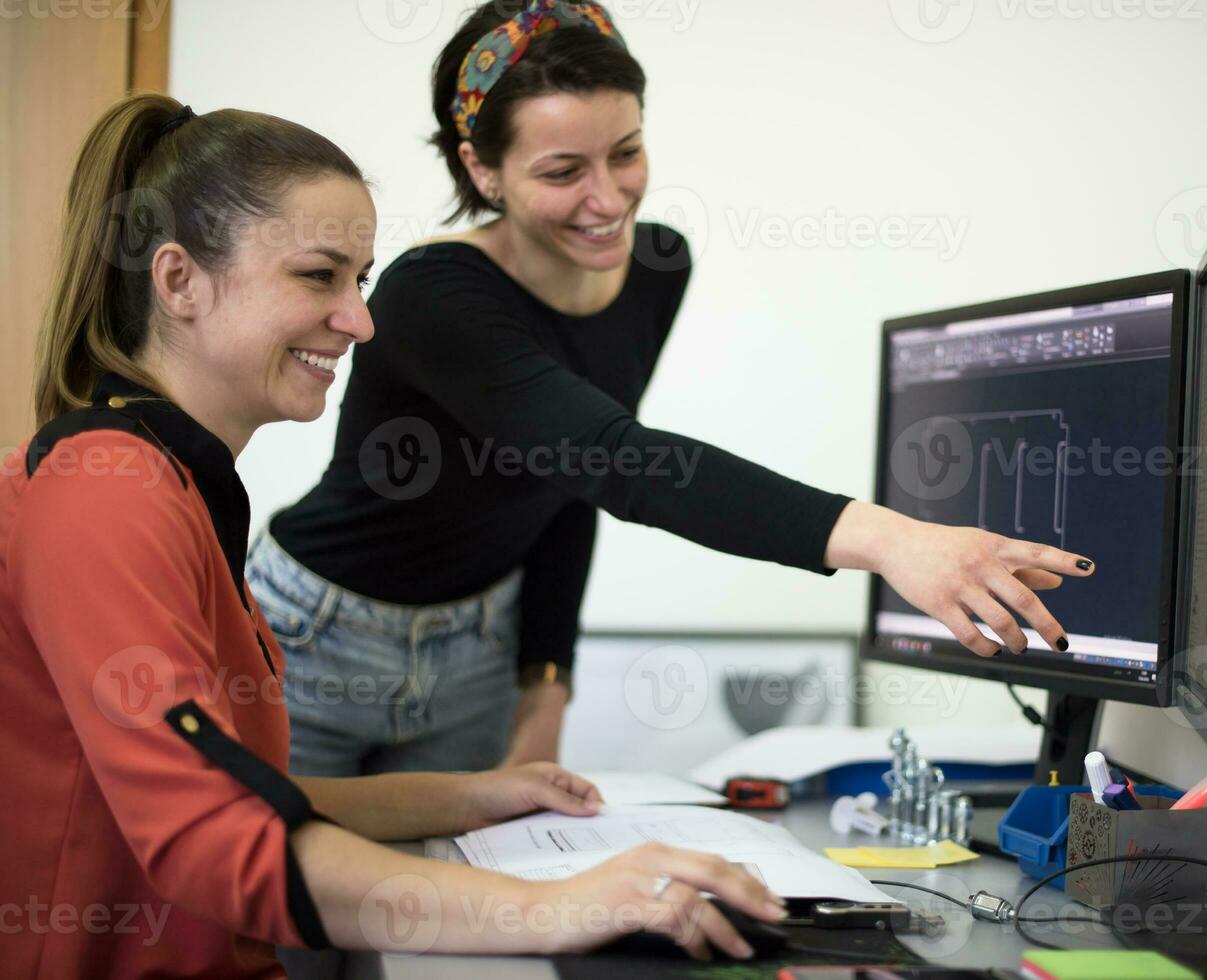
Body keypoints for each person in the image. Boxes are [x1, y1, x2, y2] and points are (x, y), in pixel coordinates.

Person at [1, 93, 787, 978]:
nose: (361, 321)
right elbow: (214, 834)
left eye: (362, 278)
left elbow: (247, 791)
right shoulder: (103, 494)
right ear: (180, 280)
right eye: (318, 275)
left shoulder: (175, 483)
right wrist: (559, 906)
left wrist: (466, 796)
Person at [254, 0, 1097, 780]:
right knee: (276, 920)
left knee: (429, 921)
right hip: (319, 637)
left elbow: (566, 485)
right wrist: (891, 540)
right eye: (561, 171)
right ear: (483, 170)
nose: (607, 198)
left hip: (479, 648)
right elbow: (617, 460)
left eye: (625, 153)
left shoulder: (656, 267)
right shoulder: (432, 294)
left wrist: (546, 688)